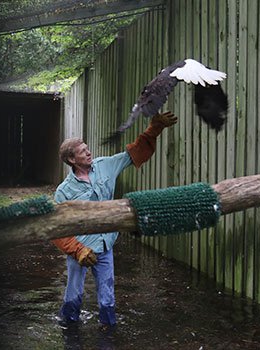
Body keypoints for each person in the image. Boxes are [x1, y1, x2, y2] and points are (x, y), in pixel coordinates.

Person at [52, 111, 177, 328]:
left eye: (87, 148)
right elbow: (56, 229)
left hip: (106, 244)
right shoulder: (63, 191)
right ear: (72, 160)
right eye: (83, 152)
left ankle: (108, 335)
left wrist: (154, 128)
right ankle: (69, 331)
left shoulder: (105, 165)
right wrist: (77, 250)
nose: (89, 153)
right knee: (73, 296)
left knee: (108, 299)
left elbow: (133, 154)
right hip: (79, 250)